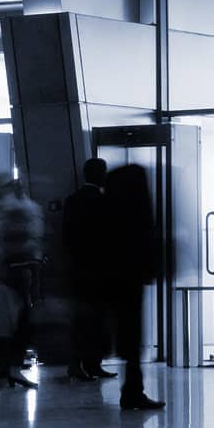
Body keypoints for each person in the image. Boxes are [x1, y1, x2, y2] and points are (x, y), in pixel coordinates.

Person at [102, 163, 165, 412]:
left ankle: (132, 389)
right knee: (132, 334)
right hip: (130, 279)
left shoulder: (108, 209)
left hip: (113, 279)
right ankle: (133, 391)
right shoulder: (137, 212)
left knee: (127, 335)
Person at [0, 175, 44, 389]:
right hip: (18, 271)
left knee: (8, 321)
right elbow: (25, 240)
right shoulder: (16, 210)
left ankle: (5, 366)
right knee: (20, 321)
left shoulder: (0, 211)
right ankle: (13, 368)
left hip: (7, 272)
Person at [62, 157, 115, 381]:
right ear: (98, 174)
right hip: (98, 272)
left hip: (77, 269)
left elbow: (67, 236)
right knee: (96, 320)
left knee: (80, 319)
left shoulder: (72, 200)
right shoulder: (102, 201)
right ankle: (92, 364)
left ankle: (77, 363)